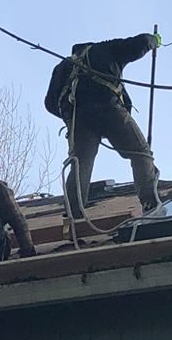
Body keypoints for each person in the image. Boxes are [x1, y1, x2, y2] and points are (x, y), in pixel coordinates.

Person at [45, 31, 162, 216]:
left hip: (79, 119)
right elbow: (139, 43)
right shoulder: (104, 49)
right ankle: (150, 204)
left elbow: (50, 104)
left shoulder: (63, 67)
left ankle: (74, 216)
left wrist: (70, 118)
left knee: (81, 163)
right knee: (141, 153)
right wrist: (154, 40)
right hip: (109, 110)